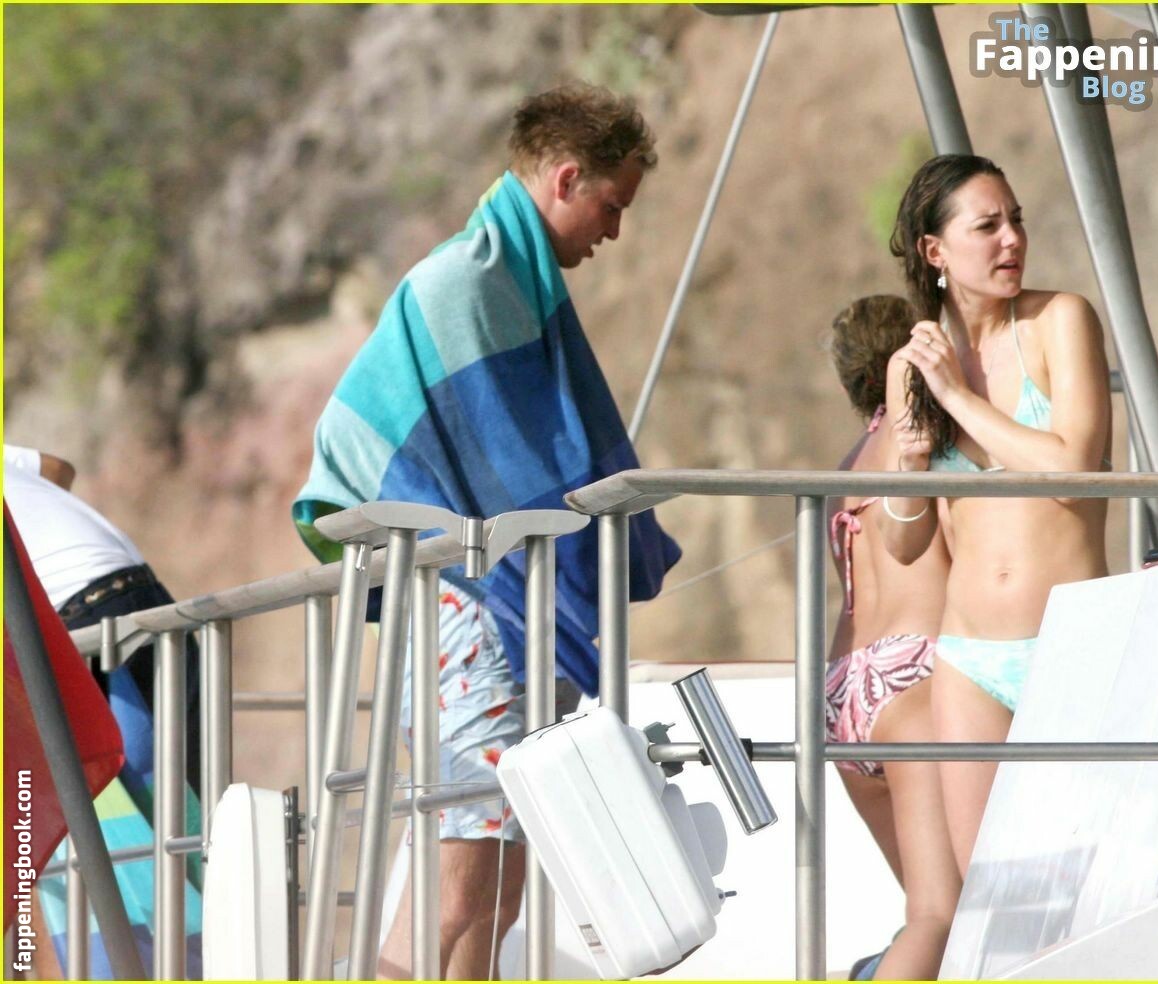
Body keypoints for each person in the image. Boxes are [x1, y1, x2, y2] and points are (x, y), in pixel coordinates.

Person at [293, 82, 680, 979]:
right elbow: (479, 465)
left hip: (479, 599)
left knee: (495, 894)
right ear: (567, 178)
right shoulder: (466, 283)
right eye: (612, 205)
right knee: (459, 889)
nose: (615, 232)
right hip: (464, 604)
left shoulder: (504, 281)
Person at [881, 154, 1112, 876]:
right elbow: (904, 545)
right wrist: (910, 467)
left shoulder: (1059, 319)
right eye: (987, 226)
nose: (1012, 238)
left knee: (1089, 878)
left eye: (1016, 220)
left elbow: (1074, 468)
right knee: (991, 888)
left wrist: (957, 397)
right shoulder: (911, 366)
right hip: (969, 659)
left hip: (1070, 641)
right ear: (935, 251)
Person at [3, 444, 205, 978]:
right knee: (177, 821)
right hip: (140, 595)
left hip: (69, 616)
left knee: (37, 835)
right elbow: (55, 469)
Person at [825, 296, 961, 981]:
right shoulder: (925, 446)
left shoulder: (846, 468)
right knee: (940, 915)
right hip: (912, 679)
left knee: (929, 918)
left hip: (844, 693)